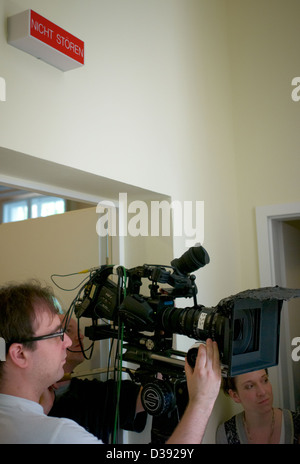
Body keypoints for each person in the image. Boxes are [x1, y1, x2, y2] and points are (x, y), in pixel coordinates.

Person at [0, 281, 221, 444]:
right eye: (56, 334)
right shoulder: (55, 436)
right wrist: (202, 401)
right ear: (19, 354)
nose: (67, 341)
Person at [43, 315, 147, 443]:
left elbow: (149, 396)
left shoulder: (93, 394)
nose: (80, 336)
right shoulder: (30, 397)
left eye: (79, 331)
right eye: (68, 330)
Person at [216, 368, 300, 444]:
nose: (262, 392)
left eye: (265, 380)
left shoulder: (296, 423)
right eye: (250, 386)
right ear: (235, 395)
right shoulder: (226, 434)